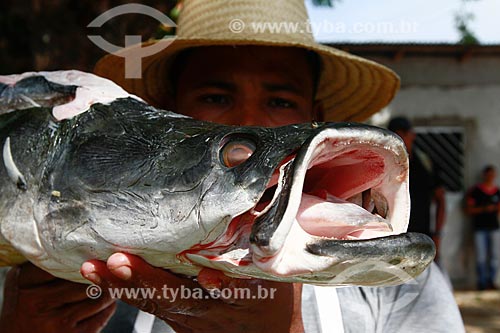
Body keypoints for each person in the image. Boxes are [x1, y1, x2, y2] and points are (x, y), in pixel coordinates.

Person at [0, 0, 465, 332]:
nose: (250, 120)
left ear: (315, 112)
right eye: (216, 97)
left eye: (281, 101)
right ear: (165, 113)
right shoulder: (44, 271)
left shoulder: (390, 280)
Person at [388, 117, 446, 259]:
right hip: (392, 239)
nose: (400, 140)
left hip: (421, 236)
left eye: (403, 135)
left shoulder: (426, 164)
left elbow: (440, 200)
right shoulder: (384, 164)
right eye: (396, 136)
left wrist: (437, 235)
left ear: (412, 135)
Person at [465, 165, 500, 290]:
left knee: (494, 256)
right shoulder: (475, 191)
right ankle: (482, 282)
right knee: (481, 256)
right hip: (479, 228)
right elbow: (469, 209)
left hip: (494, 227)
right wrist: (484, 209)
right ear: (485, 175)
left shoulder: (497, 191)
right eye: (488, 174)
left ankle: (491, 281)